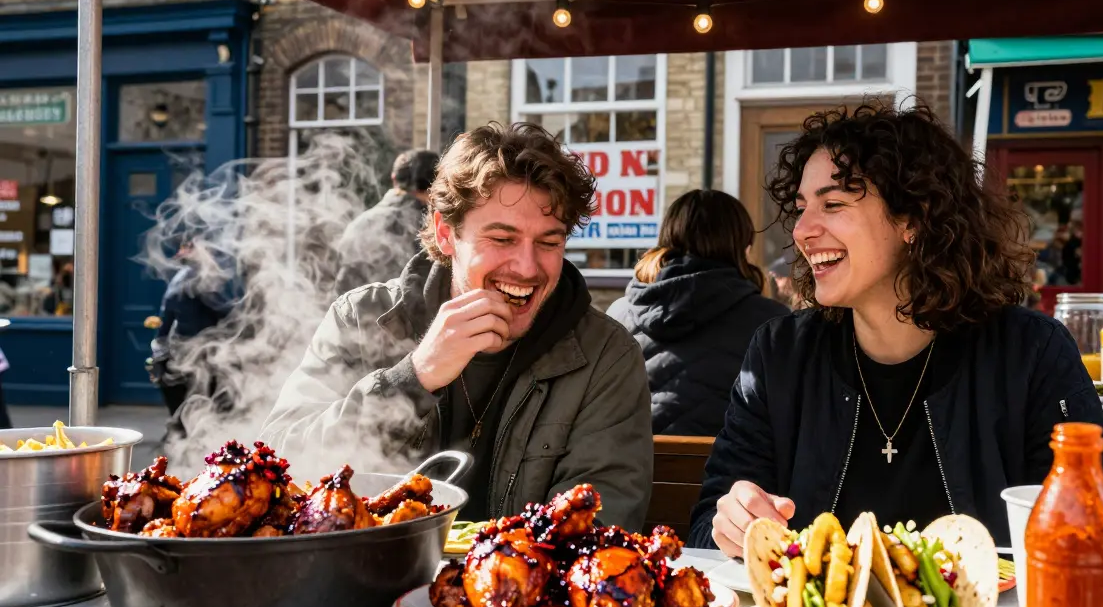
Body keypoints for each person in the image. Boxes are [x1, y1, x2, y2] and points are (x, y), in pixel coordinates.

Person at [687, 105, 1103, 554]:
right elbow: (705, 529)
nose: (801, 231)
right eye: (801, 209)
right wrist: (732, 525)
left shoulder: (1030, 352)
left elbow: (1100, 522)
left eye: (833, 204)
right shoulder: (779, 355)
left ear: (913, 218)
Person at [263, 123, 653, 529]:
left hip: (512, 589)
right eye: (502, 239)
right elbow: (282, 467)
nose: (527, 267)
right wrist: (412, 378)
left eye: (549, 243)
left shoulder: (605, 354)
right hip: (365, 582)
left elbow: (601, 522)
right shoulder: (361, 317)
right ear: (447, 234)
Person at [607, 190, 790, 437]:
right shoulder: (772, 322)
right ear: (743, 248)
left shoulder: (619, 315)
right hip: (731, 474)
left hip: (634, 471)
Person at [147, 243, 240, 440]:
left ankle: (182, 440)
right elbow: (226, 312)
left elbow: (167, 318)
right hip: (195, 353)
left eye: (187, 247)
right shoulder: (196, 278)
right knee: (205, 406)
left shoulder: (186, 277)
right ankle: (191, 444)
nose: (181, 252)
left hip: (187, 353)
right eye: (182, 247)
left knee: (188, 407)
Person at [334, 148, 439, 294]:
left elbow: (341, 286)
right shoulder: (435, 227)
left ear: (394, 178)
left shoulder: (359, 225)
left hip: (359, 313)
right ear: (437, 184)